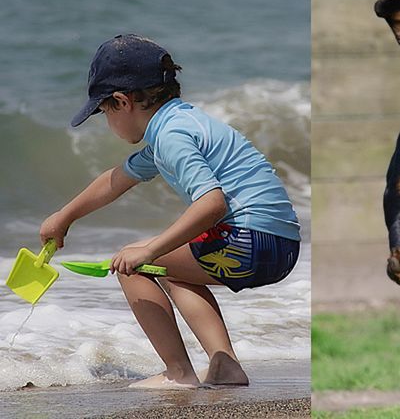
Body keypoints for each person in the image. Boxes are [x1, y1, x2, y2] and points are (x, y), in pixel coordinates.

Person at [39, 34, 301, 389]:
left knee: (132, 263)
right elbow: (117, 179)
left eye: (103, 113)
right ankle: (225, 366)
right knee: (174, 270)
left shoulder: (172, 136)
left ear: (121, 101)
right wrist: (65, 216)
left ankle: (178, 373)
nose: (107, 122)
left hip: (246, 241)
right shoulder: (182, 123)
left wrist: (150, 250)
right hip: (281, 246)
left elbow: (212, 203)